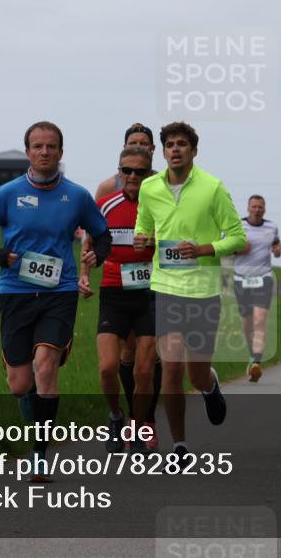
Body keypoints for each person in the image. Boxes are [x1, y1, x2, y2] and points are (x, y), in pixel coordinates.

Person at [0, 121, 111, 482]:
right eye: (37, 146)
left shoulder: (77, 196)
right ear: (28, 152)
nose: (44, 152)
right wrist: (2, 257)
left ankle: (39, 454)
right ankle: (34, 403)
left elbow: (102, 234)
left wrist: (99, 257)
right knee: (20, 384)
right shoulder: (8, 193)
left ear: (61, 153)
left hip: (59, 292)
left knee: (45, 365)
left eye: (51, 147)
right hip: (16, 292)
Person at [133, 121, 246, 461]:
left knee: (195, 372)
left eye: (182, 144)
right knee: (170, 365)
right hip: (165, 287)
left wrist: (204, 249)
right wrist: (142, 240)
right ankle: (179, 445)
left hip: (203, 290)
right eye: (170, 144)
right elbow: (144, 227)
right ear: (163, 150)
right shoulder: (149, 188)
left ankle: (209, 386)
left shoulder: (213, 188)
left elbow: (238, 237)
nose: (176, 149)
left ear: (194, 150)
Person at [86, 123, 162, 448]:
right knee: (108, 368)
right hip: (115, 291)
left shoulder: (163, 201)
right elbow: (91, 242)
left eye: (140, 173)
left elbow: (178, 248)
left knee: (145, 369)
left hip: (150, 293)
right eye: (127, 171)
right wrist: (86, 272)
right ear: (120, 170)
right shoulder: (106, 200)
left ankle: (142, 424)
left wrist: (157, 240)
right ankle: (116, 416)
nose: (133, 177)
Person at [233, 195, 281, 382]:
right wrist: (238, 249)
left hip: (263, 278)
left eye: (260, 207)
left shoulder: (271, 227)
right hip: (241, 279)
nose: (257, 210)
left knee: (260, 320)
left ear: (264, 209)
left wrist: (277, 250)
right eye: (254, 206)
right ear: (248, 208)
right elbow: (224, 247)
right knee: (246, 323)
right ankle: (251, 353)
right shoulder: (238, 226)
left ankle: (256, 362)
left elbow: (276, 244)